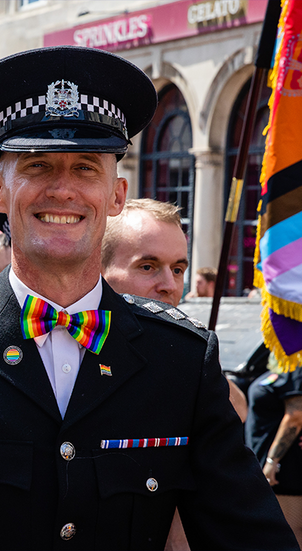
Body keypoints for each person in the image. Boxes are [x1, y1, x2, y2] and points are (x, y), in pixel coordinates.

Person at [0, 45, 296, 550]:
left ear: (116, 195)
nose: (62, 189)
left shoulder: (181, 361)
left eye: (85, 168)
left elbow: (253, 538)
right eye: (37, 165)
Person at [100, 197, 248, 551]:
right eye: (148, 267)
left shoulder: (190, 363)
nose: (169, 284)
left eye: (178, 269)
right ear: (96, 268)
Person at [248, 355, 302, 548]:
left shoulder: (298, 362)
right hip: (270, 466)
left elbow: (296, 415)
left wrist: (272, 462)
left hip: (285, 470)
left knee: (289, 533)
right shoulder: (282, 362)